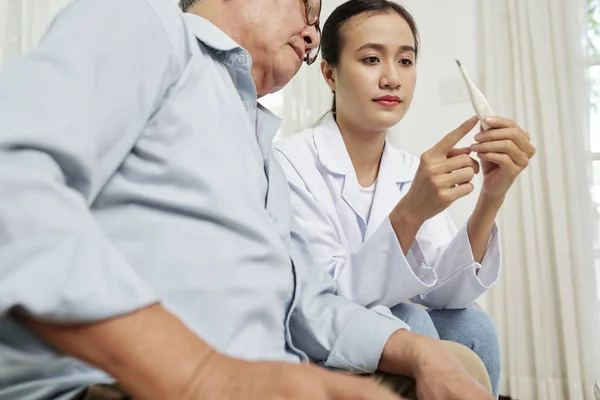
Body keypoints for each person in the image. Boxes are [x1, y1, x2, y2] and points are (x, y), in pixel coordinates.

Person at [0, 0, 495, 399]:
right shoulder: (148, 28)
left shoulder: (256, 143)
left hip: (261, 372)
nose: (310, 36)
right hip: (127, 379)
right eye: (307, 8)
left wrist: (419, 353)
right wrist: (200, 374)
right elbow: (13, 183)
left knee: (457, 358)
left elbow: (312, 303)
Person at [273, 0, 536, 397]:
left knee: (473, 326)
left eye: (406, 61)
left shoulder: (410, 169)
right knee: (407, 316)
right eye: (371, 59)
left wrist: (491, 197)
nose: (392, 79)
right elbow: (327, 299)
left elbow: (448, 293)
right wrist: (413, 209)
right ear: (329, 73)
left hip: (387, 329)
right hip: (319, 342)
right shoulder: (288, 162)